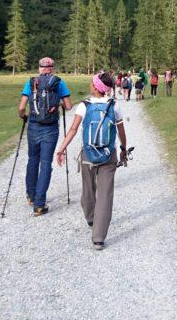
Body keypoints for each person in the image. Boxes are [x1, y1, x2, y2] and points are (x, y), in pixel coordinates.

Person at [55, 72, 128, 250]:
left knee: (88, 191)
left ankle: (90, 218)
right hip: (108, 155)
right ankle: (98, 238)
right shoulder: (114, 106)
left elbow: (73, 130)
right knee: (105, 195)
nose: (90, 85)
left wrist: (61, 148)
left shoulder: (84, 106)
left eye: (91, 83)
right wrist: (123, 150)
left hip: (88, 155)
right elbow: (121, 132)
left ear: (96, 87)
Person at [17, 57, 72, 216]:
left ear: (40, 67)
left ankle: (31, 196)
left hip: (34, 126)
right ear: (52, 68)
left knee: (32, 159)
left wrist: (24, 116)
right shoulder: (59, 82)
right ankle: (40, 205)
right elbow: (68, 106)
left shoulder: (32, 82)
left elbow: (21, 107)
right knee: (46, 163)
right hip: (50, 128)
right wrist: (59, 105)